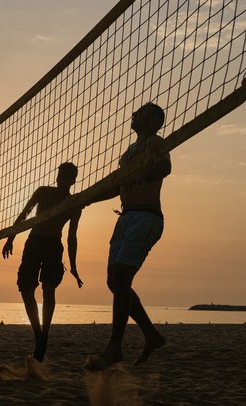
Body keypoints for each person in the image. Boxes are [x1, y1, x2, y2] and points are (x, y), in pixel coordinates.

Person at [84, 103, 171, 371]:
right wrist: (84, 201)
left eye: (141, 112)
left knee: (121, 278)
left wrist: (141, 178)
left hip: (146, 217)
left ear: (154, 120)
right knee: (114, 282)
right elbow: (117, 186)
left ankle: (114, 348)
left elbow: (165, 168)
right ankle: (152, 335)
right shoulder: (128, 152)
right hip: (126, 218)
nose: (134, 114)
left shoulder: (157, 143)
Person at [2, 162, 84, 361]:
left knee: (49, 289)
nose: (60, 180)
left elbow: (72, 236)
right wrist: (10, 238)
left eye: (64, 177)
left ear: (73, 180)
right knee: (26, 288)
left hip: (54, 245)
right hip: (34, 242)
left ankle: (44, 334)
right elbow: (24, 214)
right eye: (59, 176)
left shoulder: (74, 202)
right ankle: (38, 334)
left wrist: (73, 266)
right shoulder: (43, 191)